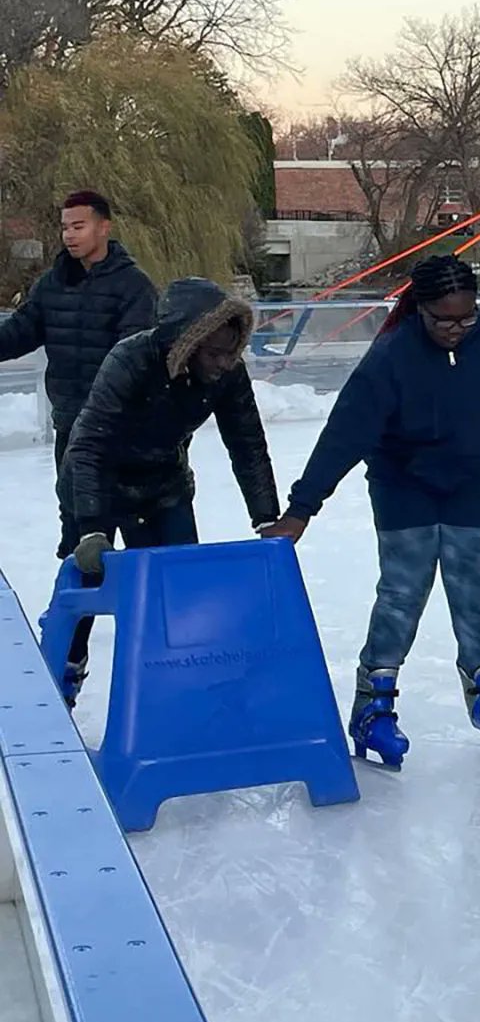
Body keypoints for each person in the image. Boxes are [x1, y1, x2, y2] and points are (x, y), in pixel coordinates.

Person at [261, 256, 480, 767]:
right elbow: (344, 434)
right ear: (420, 309)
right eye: (443, 319)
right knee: (402, 593)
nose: (456, 329)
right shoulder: (392, 355)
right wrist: (302, 509)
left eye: (466, 318)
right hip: (402, 484)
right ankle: (374, 707)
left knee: (476, 590)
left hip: (470, 482)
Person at [57, 279, 280, 707]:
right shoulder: (131, 359)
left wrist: (266, 516)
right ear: (185, 344)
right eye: (213, 353)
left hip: (163, 484)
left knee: (180, 589)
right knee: (89, 579)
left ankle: (177, 686)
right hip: (98, 482)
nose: (222, 363)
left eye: (230, 351)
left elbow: (247, 441)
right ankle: (68, 666)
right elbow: (88, 445)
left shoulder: (226, 372)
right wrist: (89, 527)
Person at [0, 191, 157, 547]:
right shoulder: (52, 284)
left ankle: (138, 601)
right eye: (65, 227)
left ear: (104, 228)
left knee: (138, 537)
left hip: (124, 433)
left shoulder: (133, 287)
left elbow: (137, 358)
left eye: (79, 226)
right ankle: (78, 602)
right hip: (71, 428)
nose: (69, 235)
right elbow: (19, 332)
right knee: (77, 532)